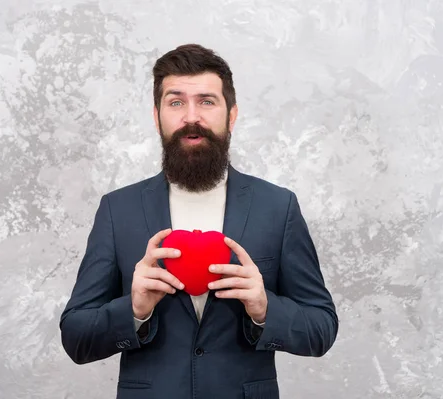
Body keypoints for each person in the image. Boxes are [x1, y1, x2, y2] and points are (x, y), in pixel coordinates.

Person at [59, 43, 338, 399]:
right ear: (157, 116)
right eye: (176, 102)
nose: (192, 117)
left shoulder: (278, 206)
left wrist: (265, 308)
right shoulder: (118, 210)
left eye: (207, 101)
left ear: (231, 115)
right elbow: (76, 338)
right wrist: (134, 308)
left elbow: (322, 328)